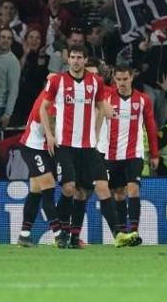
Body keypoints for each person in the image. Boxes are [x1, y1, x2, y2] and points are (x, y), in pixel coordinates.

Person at [40, 45, 120, 249]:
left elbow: (102, 106)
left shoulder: (96, 82)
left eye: (79, 57)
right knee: (68, 187)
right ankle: (61, 232)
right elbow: (44, 108)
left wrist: (95, 131)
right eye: (72, 57)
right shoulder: (57, 81)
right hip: (65, 145)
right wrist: (49, 134)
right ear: (68, 59)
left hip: (87, 146)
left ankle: (73, 237)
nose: (75, 60)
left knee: (83, 192)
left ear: (85, 60)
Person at [97, 65, 159, 248]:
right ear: (114, 79)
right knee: (117, 193)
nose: (122, 83)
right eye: (118, 79)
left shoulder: (143, 100)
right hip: (111, 153)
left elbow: (150, 126)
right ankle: (123, 232)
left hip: (134, 153)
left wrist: (154, 154)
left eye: (125, 79)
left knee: (133, 188)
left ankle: (134, 230)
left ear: (132, 77)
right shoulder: (107, 97)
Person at [17, 90, 61, 247]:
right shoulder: (47, 105)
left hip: (45, 149)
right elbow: (54, 126)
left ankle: (24, 234)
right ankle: (59, 234)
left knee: (35, 192)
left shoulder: (52, 96)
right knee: (48, 186)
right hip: (33, 147)